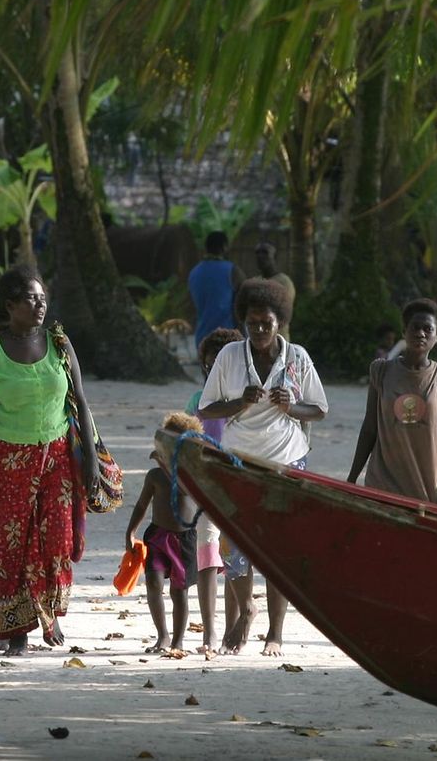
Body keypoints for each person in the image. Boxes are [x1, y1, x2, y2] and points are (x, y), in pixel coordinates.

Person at [0, 266, 96, 656]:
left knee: (56, 542)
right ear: (10, 306)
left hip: (57, 458)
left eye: (42, 298)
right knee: (9, 548)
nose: (40, 305)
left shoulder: (59, 343)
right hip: (8, 460)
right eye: (30, 299)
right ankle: (16, 631)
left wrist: (88, 459)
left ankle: (47, 615)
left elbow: (81, 403)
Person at [197, 277, 327, 656]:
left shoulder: (298, 357)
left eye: (266, 324)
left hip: (287, 459)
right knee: (232, 543)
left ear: (280, 322)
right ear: (243, 322)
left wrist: (291, 406)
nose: (258, 330)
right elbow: (207, 409)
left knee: (279, 547)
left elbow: (319, 409)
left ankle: (276, 632)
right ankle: (246, 607)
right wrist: (239, 402)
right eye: (252, 324)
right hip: (239, 459)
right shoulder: (229, 357)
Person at [347, 298, 437, 505]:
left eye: (428, 329)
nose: (420, 333)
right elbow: (369, 428)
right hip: (383, 483)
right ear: (404, 331)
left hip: (429, 487)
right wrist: (352, 478)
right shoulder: (381, 371)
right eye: (415, 327)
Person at [124, 412, 204, 653]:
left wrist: (164, 464)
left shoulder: (192, 475)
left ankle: (179, 641)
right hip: (157, 535)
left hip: (184, 541)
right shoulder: (155, 476)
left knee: (179, 592)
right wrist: (131, 531)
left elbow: (182, 489)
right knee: (153, 584)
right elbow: (141, 505)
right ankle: (163, 636)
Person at [184, 327, 240, 652]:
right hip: (205, 485)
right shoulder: (197, 400)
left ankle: (233, 628)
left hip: (237, 486)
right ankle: (209, 633)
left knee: (234, 558)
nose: (213, 371)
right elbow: (188, 440)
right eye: (209, 365)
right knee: (206, 553)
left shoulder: (246, 401)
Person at [187, 231, 247, 348]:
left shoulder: (194, 272)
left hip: (202, 338)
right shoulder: (232, 271)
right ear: (224, 247)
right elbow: (243, 304)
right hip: (227, 338)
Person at [255, 243, 297, 337]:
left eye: (265, 253)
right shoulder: (255, 281)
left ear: (275, 257)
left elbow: (283, 311)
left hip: (278, 338)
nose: (260, 256)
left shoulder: (284, 282)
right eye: (257, 253)